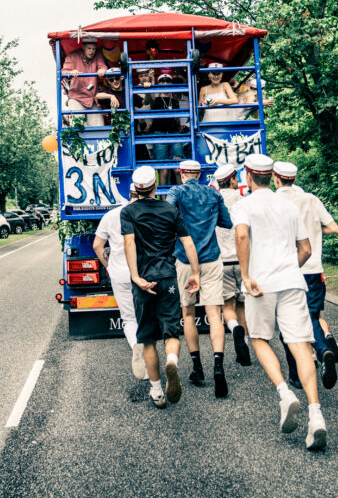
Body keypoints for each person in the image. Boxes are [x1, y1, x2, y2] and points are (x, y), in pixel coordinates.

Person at [233, 154, 328, 451]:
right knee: (300, 344)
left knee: (260, 338)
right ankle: (316, 415)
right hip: (292, 281)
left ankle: (285, 394)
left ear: (249, 176)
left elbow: (241, 234)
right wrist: (290, 266)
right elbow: (306, 248)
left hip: (261, 283)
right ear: (270, 175)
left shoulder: (244, 205)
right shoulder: (288, 206)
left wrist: (246, 275)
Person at [122, 165, 200, 408]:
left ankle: (156, 390)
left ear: (136, 188)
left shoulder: (128, 212)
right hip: (167, 278)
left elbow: (129, 244)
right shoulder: (169, 209)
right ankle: (173, 361)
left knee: (147, 339)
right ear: (156, 185)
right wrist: (196, 273)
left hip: (144, 282)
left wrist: (135, 276)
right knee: (171, 332)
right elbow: (188, 243)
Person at [273, 161, 338, 390]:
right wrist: (313, 229)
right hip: (313, 270)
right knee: (311, 316)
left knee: (286, 323)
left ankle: (295, 374)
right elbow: (333, 228)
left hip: (286, 270)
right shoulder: (311, 199)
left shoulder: (274, 201)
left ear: (276, 178)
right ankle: (323, 351)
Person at [167, 160, 233, 397]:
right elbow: (226, 222)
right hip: (212, 258)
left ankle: (197, 368)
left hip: (185, 260)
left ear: (182, 174)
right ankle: (218, 367)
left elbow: (168, 216)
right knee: (214, 313)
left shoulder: (177, 192)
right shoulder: (212, 194)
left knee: (188, 313)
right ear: (200, 173)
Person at [93, 194, 146, 380]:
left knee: (129, 318)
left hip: (120, 274)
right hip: (143, 272)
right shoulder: (149, 212)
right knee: (146, 315)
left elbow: (97, 245)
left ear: (129, 194)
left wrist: (108, 266)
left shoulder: (111, 215)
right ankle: (149, 350)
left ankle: (136, 347)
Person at [213, 163, 251, 366]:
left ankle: (234, 326)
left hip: (222, 261)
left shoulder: (214, 202)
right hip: (243, 261)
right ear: (233, 179)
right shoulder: (244, 201)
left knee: (228, 306)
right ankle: (243, 344)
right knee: (243, 304)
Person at [61, 39, 109, 123]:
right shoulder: (72, 56)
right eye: (89, 48)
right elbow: (64, 72)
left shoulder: (97, 55)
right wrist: (71, 72)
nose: (92, 51)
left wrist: (102, 70)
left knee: (99, 126)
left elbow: (103, 66)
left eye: (93, 49)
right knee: (77, 125)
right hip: (77, 97)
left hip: (92, 98)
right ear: (83, 47)